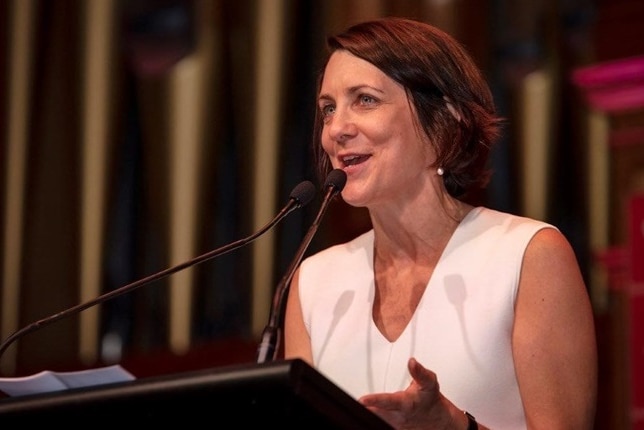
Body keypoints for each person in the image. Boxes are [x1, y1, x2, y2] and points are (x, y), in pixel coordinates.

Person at [283, 16, 597, 430]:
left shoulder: (527, 255)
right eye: (328, 108)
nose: (336, 130)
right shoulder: (314, 282)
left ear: (445, 123)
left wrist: (455, 427)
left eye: (365, 100)